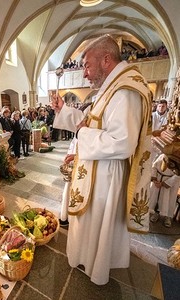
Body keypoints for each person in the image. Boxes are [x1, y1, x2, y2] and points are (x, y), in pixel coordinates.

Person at [52, 35, 152, 285]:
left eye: (86, 64)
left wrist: (83, 135)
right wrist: (63, 112)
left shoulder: (125, 90)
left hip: (106, 174)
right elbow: (92, 122)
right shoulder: (111, 88)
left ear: (106, 59)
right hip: (96, 168)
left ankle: (96, 268)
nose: (84, 73)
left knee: (97, 222)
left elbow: (122, 141)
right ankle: (86, 259)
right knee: (89, 222)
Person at [149, 153, 180, 228]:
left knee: (169, 200)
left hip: (170, 182)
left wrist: (164, 183)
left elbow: (178, 175)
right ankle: (156, 213)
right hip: (158, 179)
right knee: (157, 198)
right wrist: (154, 179)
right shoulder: (163, 156)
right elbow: (154, 167)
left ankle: (168, 217)